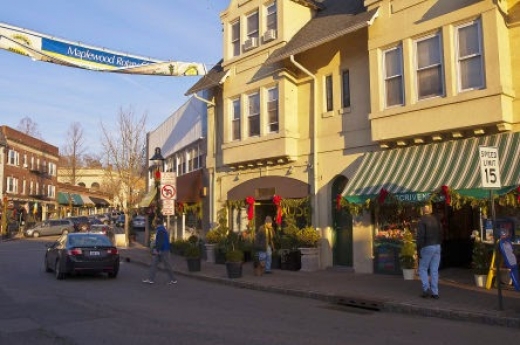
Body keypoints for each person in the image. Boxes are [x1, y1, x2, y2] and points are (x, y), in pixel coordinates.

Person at [416, 204, 442, 299]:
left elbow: (420, 236)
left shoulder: (422, 221)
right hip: (437, 246)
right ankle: (435, 293)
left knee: (422, 268)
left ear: (423, 210)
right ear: (430, 210)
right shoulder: (436, 220)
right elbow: (441, 232)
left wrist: (418, 248)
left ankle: (426, 289)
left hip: (427, 246)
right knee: (434, 270)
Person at [142, 215, 177, 285]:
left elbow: (160, 242)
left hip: (163, 251)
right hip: (163, 250)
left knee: (166, 265)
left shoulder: (160, 230)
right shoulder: (162, 229)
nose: (154, 224)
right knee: (154, 264)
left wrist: (157, 250)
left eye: (154, 223)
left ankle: (173, 279)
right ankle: (150, 279)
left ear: (156, 224)